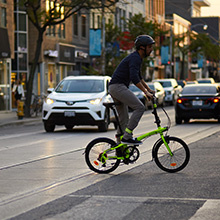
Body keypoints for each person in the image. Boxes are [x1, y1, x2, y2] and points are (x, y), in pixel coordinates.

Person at [109, 35, 155, 145]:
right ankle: (127, 137)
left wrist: (149, 89)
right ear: (142, 48)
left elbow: (139, 77)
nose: (151, 49)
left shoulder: (137, 58)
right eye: (149, 47)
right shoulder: (135, 58)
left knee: (124, 120)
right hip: (118, 87)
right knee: (139, 107)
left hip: (115, 87)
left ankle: (120, 149)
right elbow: (134, 78)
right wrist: (145, 92)